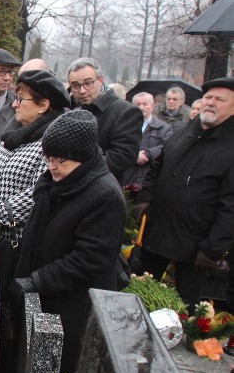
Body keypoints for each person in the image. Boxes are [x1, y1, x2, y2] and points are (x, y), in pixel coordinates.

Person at [14, 109, 125, 373]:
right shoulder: (55, 181)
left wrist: (38, 280)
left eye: (61, 160)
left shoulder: (105, 195)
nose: (52, 166)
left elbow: (90, 259)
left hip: (73, 308)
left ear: (83, 157)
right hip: (45, 298)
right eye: (48, 158)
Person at [0, 70, 69, 373]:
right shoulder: (13, 136)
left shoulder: (50, 144)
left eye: (21, 98)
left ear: (43, 105)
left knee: (5, 312)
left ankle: (1, 371)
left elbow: (32, 198)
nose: (14, 104)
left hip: (14, 247)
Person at [134, 77, 234, 310]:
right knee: (137, 296)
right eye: (208, 97)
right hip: (157, 234)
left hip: (196, 249)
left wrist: (212, 249)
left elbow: (231, 206)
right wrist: (145, 198)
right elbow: (157, 167)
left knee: (185, 309)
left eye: (220, 99)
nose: (211, 103)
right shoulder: (183, 132)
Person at [66, 57, 141, 183]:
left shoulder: (125, 111)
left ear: (100, 80)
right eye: (76, 85)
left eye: (88, 83)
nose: (82, 90)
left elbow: (123, 157)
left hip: (100, 187)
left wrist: (76, 165)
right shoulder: (68, 109)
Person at [123, 92, 172, 187]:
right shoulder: (123, 125)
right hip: (125, 174)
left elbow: (167, 147)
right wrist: (133, 156)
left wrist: (147, 154)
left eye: (145, 104)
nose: (141, 107)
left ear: (152, 106)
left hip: (148, 176)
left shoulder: (164, 128)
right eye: (138, 104)